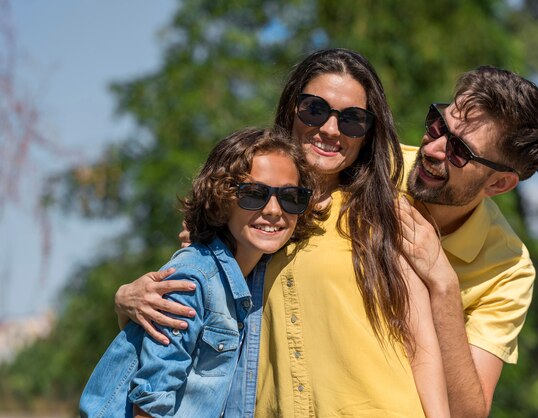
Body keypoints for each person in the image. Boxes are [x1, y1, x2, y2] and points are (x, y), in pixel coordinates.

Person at [114, 48, 450, 418]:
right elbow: (182, 324)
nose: (330, 129)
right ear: (292, 107)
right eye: (315, 109)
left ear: (369, 133)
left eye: (353, 120)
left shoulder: (388, 214)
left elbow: (421, 344)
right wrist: (126, 298)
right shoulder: (245, 217)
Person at [79, 127, 323, 417]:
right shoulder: (193, 281)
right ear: (222, 200)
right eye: (254, 194)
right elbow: (151, 401)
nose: (273, 210)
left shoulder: (249, 278)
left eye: (291, 197)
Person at [397, 66, 538, 417]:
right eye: (438, 124)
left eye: (459, 151)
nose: (434, 148)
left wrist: (442, 283)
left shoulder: (510, 269)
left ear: (498, 185)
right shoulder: (371, 167)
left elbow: (467, 413)